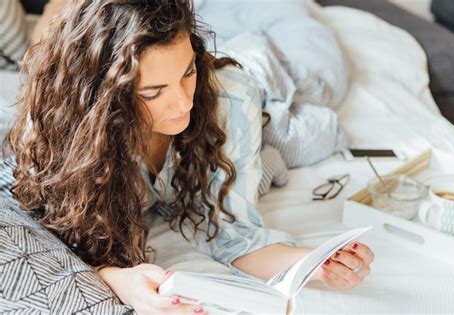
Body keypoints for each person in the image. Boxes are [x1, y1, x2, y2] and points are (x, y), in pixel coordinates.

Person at [2, 1, 374, 314]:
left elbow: (234, 234)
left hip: (255, 80)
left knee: (318, 105)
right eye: (152, 92)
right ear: (104, 98)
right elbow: (44, 234)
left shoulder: (227, 96)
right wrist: (117, 279)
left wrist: (313, 263)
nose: (183, 103)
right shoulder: (64, 131)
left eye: (187, 72)